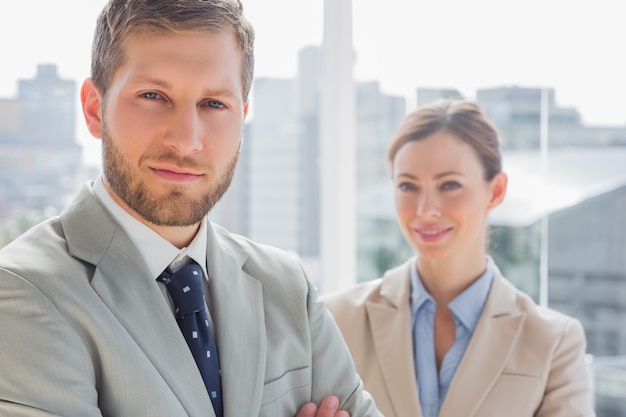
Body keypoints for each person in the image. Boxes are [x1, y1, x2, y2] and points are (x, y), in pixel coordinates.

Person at [0, 1, 382, 416]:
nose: (186, 140)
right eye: (152, 96)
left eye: (214, 104)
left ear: (242, 118)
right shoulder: (23, 291)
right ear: (95, 108)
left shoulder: (287, 286)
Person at [324, 100, 595, 417]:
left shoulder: (553, 342)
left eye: (449, 184)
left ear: (495, 191)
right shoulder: (337, 319)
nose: (426, 210)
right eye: (408, 186)